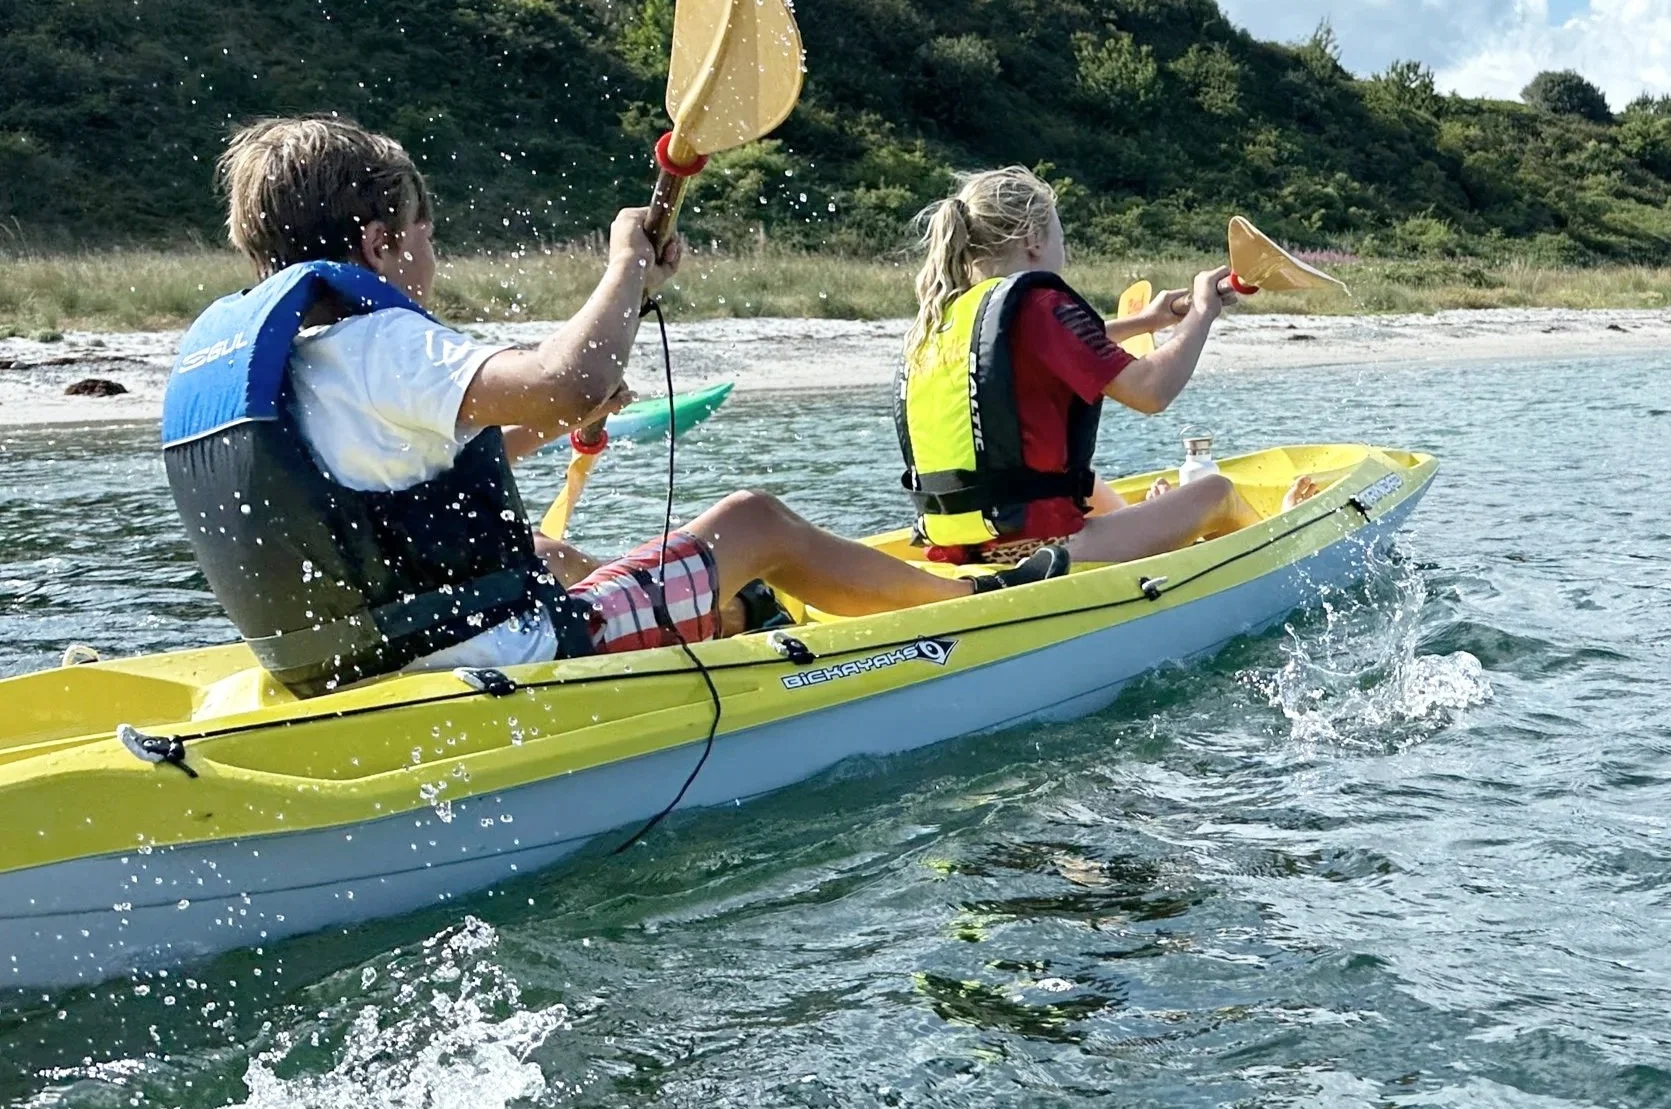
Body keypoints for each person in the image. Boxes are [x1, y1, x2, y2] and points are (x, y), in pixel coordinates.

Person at [163, 116, 1055, 697]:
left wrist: (560, 415)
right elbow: (570, 376)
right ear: (382, 241)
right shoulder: (381, 341)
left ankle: (741, 619)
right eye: (425, 234)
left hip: (361, 662)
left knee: (552, 548)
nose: (430, 253)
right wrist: (627, 263)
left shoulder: (292, 363)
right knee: (754, 522)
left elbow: (407, 487)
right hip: (500, 658)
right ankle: (968, 598)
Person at [894, 166, 1265, 569]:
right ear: (1034, 239)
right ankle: (1269, 571)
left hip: (964, 549)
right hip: (1044, 550)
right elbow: (1151, 390)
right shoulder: (1040, 306)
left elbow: (1041, 352)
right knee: (1217, 494)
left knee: (1093, 488)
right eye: (1061, 236)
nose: (1062, 250)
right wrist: (1204, 311)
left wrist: (1144, 322)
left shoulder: (940, 318)